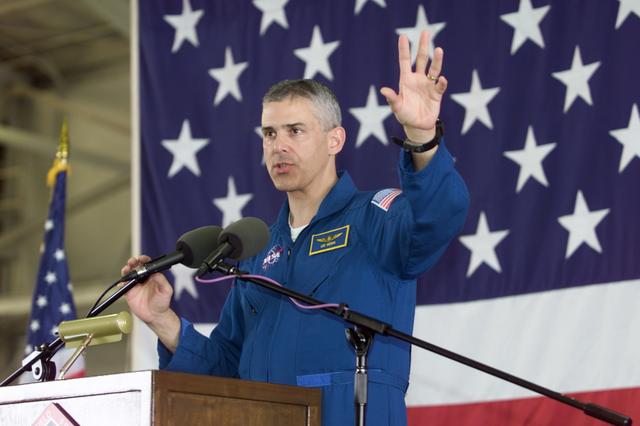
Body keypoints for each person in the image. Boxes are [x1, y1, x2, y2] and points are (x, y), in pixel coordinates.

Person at [122, 31, 469, 425]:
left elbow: (438, 216)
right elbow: (225, 373)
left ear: (335, 139)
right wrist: (161, 319)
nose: (278, 146)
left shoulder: (376, 217)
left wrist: (422, 136)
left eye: (295, 131)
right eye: (269, 134)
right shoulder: (255, 249)